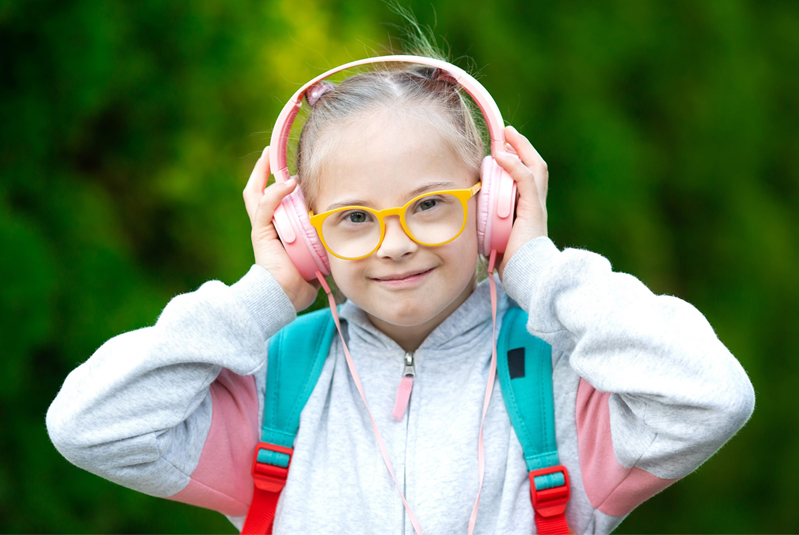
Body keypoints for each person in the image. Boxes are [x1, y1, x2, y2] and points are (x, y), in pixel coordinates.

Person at [46, 51, 755, 535]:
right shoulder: (275, 390)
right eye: (353, 218)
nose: (395, 242)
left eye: (431, 204)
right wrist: (261, 294)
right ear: (305, 234)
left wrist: (538, 266)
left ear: (491, 205)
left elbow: (711, 394)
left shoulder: (560, 383)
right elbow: (87, 423)